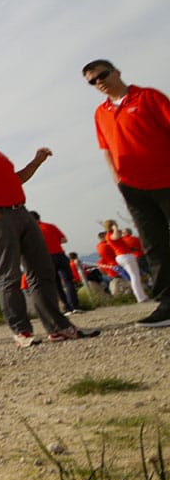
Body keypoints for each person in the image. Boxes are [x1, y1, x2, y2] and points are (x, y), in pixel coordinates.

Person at [0, 111, 98, 347]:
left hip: (22, 212)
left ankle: (59, 328)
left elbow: (15, 179)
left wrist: (36, 162)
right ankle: (21, 331)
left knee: (42, 271)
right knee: (10, 275)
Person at [85, 59, 170, 327]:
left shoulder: (148, 97)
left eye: (102, 75)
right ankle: (167, 303)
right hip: (133, 187)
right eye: (92, 81)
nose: (99, 82)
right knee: (154, 245)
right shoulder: (101, 113)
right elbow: (106, 148)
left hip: (166, 178)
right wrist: (118, 180)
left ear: (117, 72)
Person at [31, 211, 84, 313]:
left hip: (46, 258)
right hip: (60, 254)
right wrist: (54, 241)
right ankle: (75, 306)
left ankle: (67, 307)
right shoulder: (50, 226)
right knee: (68, 281)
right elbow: (64, 240)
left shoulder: (33, 230)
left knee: (56, 283)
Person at [105, 218, 149, 301]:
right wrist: (115, 228)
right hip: (125, 256)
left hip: (123, 256)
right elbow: (116, 236)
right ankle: (140, 297)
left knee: (134, 276)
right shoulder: (111, 235)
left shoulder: (109, 236)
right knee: (134, 276)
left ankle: (141, 295)